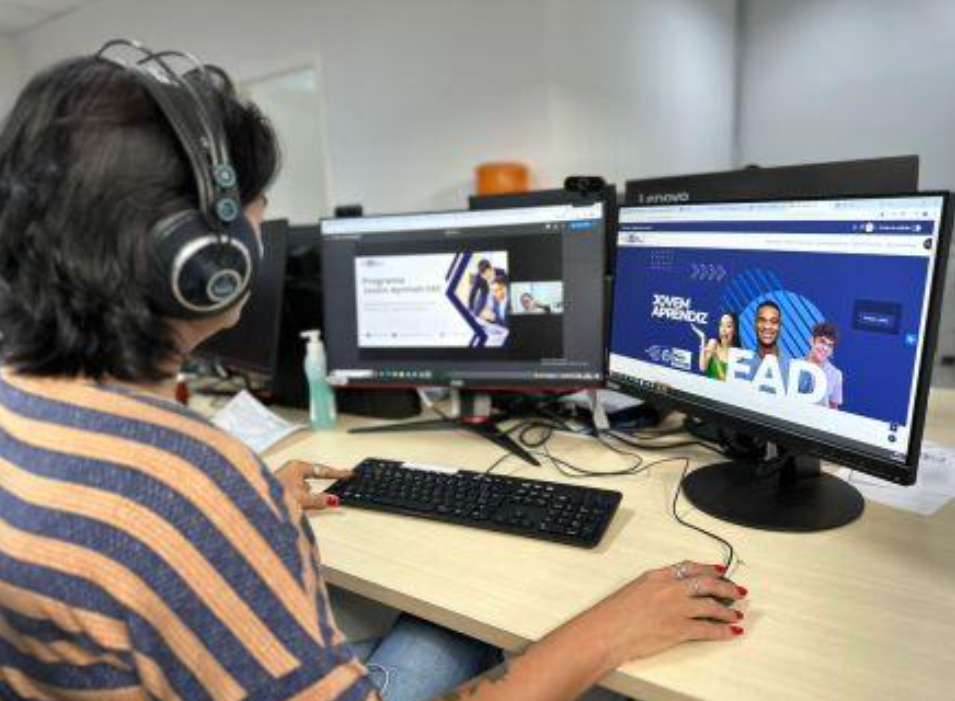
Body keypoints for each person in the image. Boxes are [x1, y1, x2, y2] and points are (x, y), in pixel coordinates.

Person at [0, 44, 747, 701]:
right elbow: (169, 520)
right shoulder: (188, 489)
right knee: (487, 623)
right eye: (249, 210)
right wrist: (610, 631)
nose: (259, 226)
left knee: (450, 614)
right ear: (199, 260)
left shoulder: (22, 408)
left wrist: (244, 520)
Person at [799, 322, 844, 409]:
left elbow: (833, 409)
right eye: (822, 342)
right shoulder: (794, 365)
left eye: (830, 345)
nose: (825, 348)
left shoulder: (836, 375)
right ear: (812, 341)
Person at [691, 312, 740, 380]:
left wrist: (715, 357)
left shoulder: (738, 354)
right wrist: (703, 339)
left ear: (735, 330)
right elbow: (702, 368)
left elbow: (724, 380)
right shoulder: (713, 343)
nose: (723, 330)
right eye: (721, 325)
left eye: (728, 326)